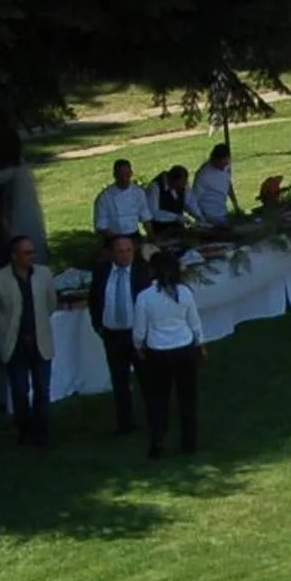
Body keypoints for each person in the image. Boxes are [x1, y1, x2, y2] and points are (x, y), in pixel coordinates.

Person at [0, 234, 57, 446]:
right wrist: (7, 326)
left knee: (42, 389)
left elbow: (51, 303)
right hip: (15, 343)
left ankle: (42, 431)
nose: (31, 256)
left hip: (40, 340)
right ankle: (24, 430)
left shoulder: (44, 274)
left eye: (32, 252)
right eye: (26, 253)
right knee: (20, 390)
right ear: (14, 256)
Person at [133, 249, 205, 459]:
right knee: (187, 398)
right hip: (184, 350)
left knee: (158, 400)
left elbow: (139, 329)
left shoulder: (145, 297)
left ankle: (157, 442)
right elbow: (194, 322)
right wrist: (200, 344)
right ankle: (189, 443)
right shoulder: (184, 293)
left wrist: (138, 346)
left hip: (158, 353)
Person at [88, 232, 153, 435]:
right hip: (112, 335)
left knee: (147, 379)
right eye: (120, 251)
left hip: (138, 334)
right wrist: (99, 326)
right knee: (119, 380)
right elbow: (94, 299)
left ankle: (154, 419)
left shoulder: (143, 271)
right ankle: (125, 423)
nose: (125, 255)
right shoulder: (102, 271)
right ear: (111, 253)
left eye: (128, 251)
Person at [92, 157, 150, 240]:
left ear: (131, 174)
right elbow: (101, 226)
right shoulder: (105, 197)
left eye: (127, 174)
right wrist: (118, 241)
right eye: (121, 175)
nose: (124, 178)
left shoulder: (138, 193)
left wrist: (151, 237)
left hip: (134, 235)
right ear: (115, 175)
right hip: (113, 237)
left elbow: (146, 217)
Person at [188, 144, 241, 226]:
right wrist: (201, 218)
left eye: (226, 162)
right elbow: (194, 199)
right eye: (222, 163)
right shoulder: (203, 175)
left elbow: (228, 183)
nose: (224, 166)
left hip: (222, 212)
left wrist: (235, 205)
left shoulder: (226, 166)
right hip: (209, 216)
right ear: (214, 159)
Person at [147, 164, 190, 234]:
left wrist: (200, 217)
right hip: (160, 230)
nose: (183, 187)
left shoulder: (182, 184)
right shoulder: (155, 187)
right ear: (172, 180)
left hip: (178, 229)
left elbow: (190, 202)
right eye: (181, 184)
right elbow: (153, 212)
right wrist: (176, 217)